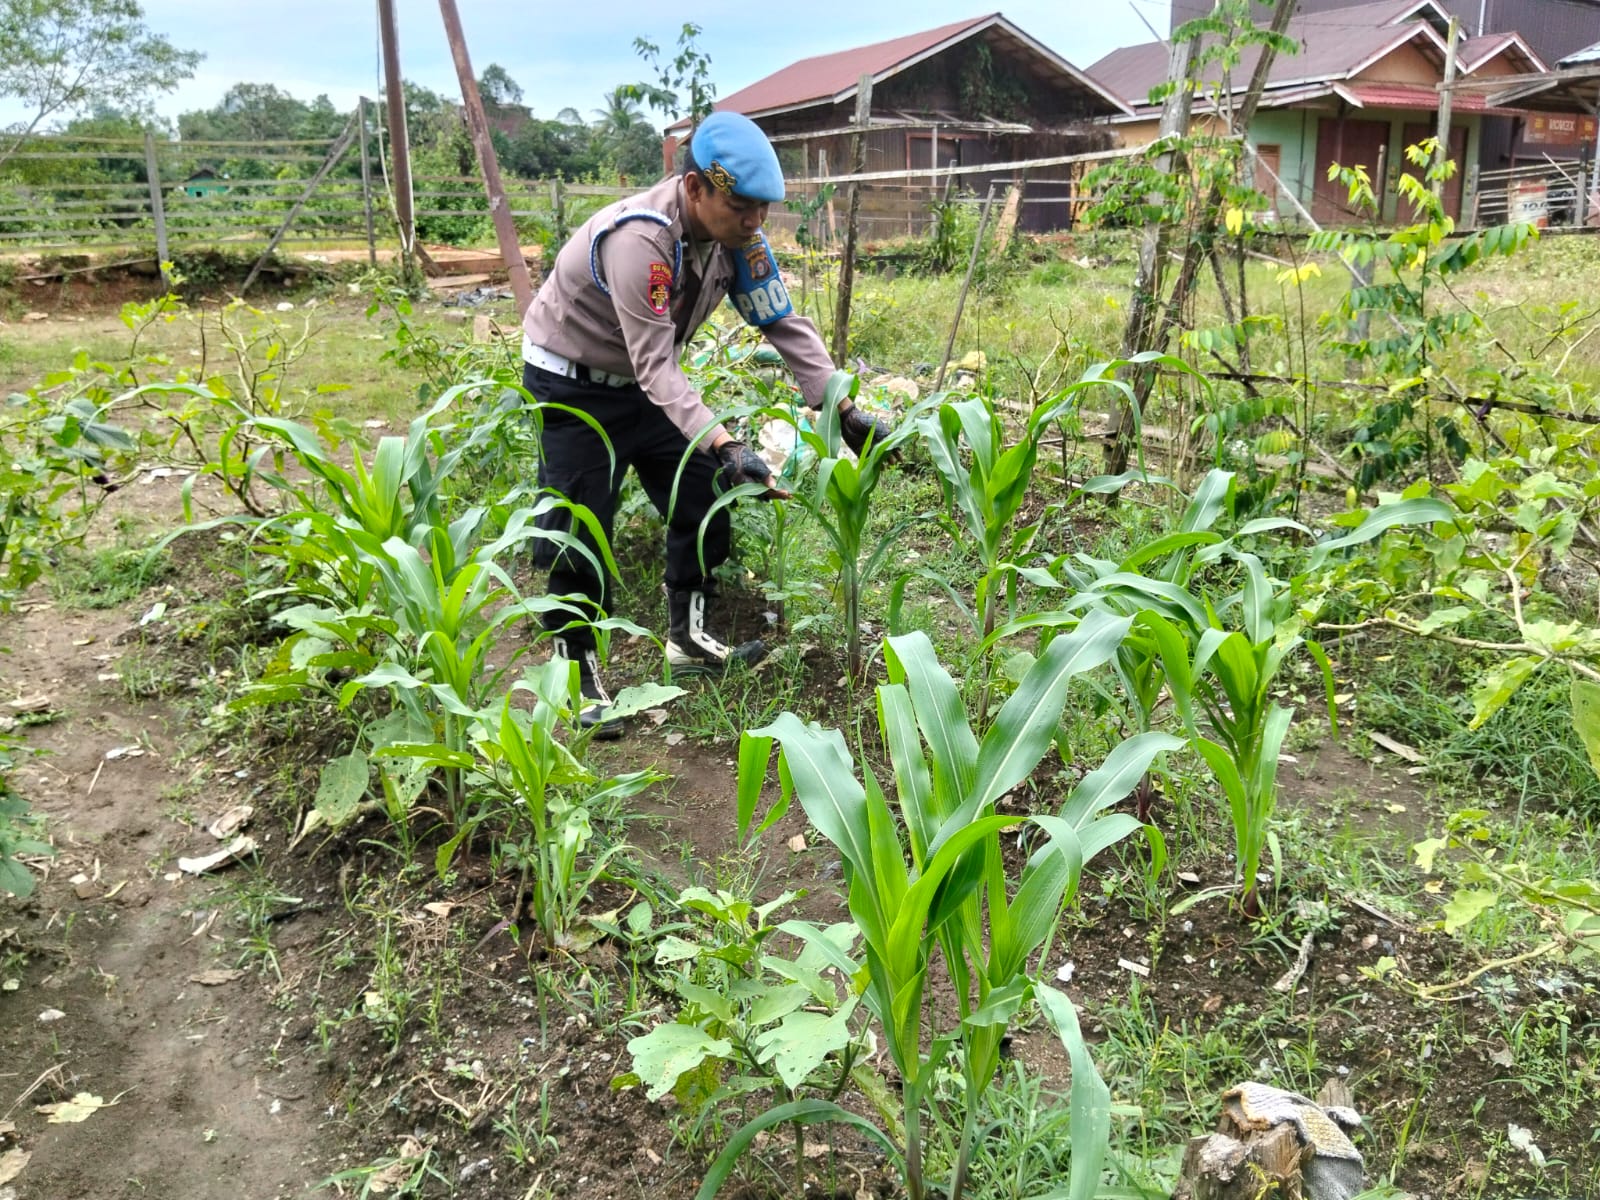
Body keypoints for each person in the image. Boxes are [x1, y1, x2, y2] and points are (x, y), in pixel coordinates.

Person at [520, 110, 889, 737]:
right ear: (694, 187)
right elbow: (655, 365)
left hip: (646, 384)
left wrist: (842, 407)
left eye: (763, 209)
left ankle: (687, 638)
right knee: (579, 523)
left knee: (702, 490)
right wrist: (725, 441)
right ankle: (573, 671)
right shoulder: (641, 242)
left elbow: (780, 320)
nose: (754, 221)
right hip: (576, 383)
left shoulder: (739, 241)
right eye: (741, 206)